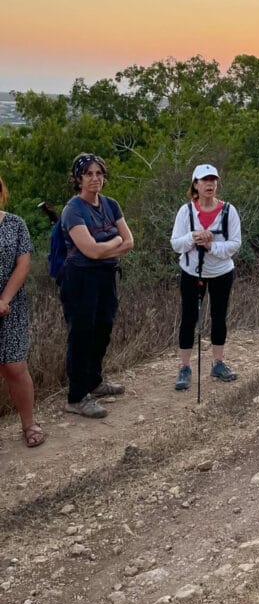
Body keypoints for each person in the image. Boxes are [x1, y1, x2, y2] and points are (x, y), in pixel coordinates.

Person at [60, 153, 134, 418]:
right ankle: (77, 396)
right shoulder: (73, 210)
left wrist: (107, 246)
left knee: (103, 328)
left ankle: (94, 382)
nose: (95, 179)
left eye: (99, 173)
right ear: (78, 178)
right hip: (80, 279)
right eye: (89, 174)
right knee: (81, 333)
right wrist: (113, 242)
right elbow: (90, 250)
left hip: (106, 275)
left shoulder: (110, 204)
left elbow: (130, 241)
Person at [171, 164, 242, 389]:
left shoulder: (229, 211)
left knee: (219, 316)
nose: (210, 184)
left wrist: (211, 246)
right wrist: (194, 236)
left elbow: (235, 245)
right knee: (189, 318)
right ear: (195, 184)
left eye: (213, 180)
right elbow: (176, 244)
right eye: (205, 180)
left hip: (221, 273)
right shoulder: (186, 211)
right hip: (192, 272)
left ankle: (218, 363)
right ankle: (184, 368)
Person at [0, 176, 44, 447]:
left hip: (11, 305)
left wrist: (4, 299)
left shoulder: (16, 224)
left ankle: (29, 424)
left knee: (15, 367)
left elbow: (23, 264)